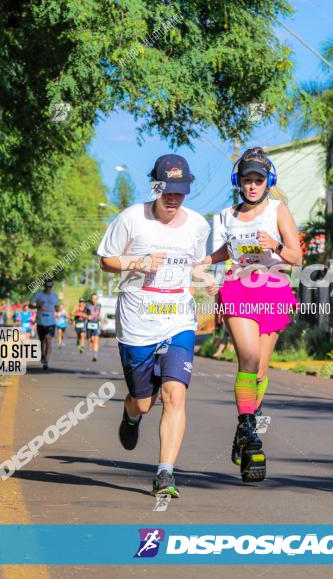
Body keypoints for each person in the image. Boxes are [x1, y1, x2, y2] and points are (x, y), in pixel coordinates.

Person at [97, 153, 209, 497]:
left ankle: (164, 473)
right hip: (137, 322)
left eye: (181, 190)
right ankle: (131, 416)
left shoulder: (198, 225)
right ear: (156, 187)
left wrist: (206, 277)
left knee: (175, 394)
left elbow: (193, 265)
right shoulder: (131, 219)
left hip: (177, 319)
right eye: (167, 190)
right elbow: (106, 260)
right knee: (144, 401)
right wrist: (139, 262)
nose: (173, 197)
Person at [199, 147, 301, 483]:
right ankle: (249, 428)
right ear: (238, 181)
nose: (253, 185)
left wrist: (274, 244)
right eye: (247, 179)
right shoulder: (226, 215)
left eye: (258, 179)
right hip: (238, 288)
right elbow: (224, 252)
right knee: (249, 358)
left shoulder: (277, 210)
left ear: (268, 181)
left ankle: (243, 433)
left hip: (273, 288)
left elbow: (296, 257)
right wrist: (203, 263)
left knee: (259, 370)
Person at [30, 279, 60, 369]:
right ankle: (42, 355)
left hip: (51, 322)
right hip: (40, 321)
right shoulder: (38, 295)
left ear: (52, 286)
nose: (48, 288)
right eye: (46, 286)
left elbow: (57, 307)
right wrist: (37, 306)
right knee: (42, 340)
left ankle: (46, 360)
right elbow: (30, 305)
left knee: (48, 339)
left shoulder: (55, 295)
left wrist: (58, 309)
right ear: (44, 286)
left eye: (50, 286)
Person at [85, 293, 102, 362]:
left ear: (97, 299)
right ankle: (90, 341)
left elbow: (99, 313)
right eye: (93, 299)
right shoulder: (88, 306)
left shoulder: (99, 305)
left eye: (96, 299)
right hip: (89, 324)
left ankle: (95, 356)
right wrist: (87, 317)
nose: (94, 300)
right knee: (90, 340)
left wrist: (100, 317)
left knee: (96, 340)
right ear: (91, 299)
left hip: (96, 324)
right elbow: (83, 313)